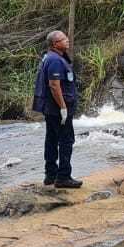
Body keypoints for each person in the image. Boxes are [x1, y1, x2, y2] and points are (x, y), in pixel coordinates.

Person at [32, 30, 83, 188]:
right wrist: (63, 108)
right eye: (63, 39)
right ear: (55, 44)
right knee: (66, 140)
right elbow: (54, 85)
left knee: (52, 139)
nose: (67, 40)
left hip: (50, 108)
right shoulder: (54, 60)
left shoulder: (51, 57)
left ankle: (50, 175)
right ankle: (63, 177)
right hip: (57, 108)